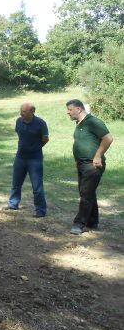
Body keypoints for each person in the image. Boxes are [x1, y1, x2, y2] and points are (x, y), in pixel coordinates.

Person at [66, 99, 113, 235]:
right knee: (87, 192)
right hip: (82, 163)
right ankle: (93, 222)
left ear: (79, 109)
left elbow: (108, 138)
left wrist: (98, 156)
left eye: (70, 109)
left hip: (93, 165)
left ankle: (79, 223)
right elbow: (81, 142)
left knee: (86, 194)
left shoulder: (93, 122)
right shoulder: (79, 123)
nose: (67, 112)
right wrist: (77, 159)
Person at [3, 102, 49, 218]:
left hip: (35, 159)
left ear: (32, 112)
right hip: (20, 157)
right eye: (21, 111)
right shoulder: (19, 121)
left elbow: (45, 139)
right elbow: (20, 134)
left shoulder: (40, 123)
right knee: (16, 184)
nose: (21, 113)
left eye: (24, 111)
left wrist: (35, 147)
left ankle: (40, 210)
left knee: (37, 187)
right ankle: (13, 204)